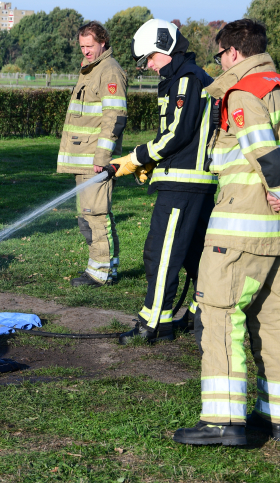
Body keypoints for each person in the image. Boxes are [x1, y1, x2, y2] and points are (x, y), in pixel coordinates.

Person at [173, 19, 280, 446]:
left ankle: (224, 422)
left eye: (220, 56)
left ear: (234, 53)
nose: (219, 64)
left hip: (239, 237)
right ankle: (278, 418)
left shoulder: (246, 93)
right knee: (277, 327)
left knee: (221, 318)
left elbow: (268, 159)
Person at [114, 19, 217, 345]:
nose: (150, 66)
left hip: (183, 184)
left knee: (161, 252)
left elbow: (177, 133)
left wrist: (137, 158)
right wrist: (153, 162)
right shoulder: (190, 77)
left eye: (151, 58)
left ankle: (154, 322)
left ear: (166, 49)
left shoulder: (186, 80)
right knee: (195, 253)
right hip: (192, 181)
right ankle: (203, 310)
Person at [57, 21, 128, 287]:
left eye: (90, 46)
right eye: (82, 46)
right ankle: (99, 267)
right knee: (87, 215)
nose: (86, 51)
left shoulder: (109, 71)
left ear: (103, 43)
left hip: (95, 161)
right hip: (84, 159)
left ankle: (102, 272)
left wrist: (102, 159)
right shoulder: (92, 69)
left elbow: (115, 118)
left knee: (96, 215)